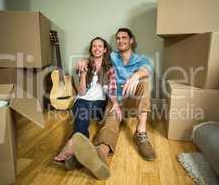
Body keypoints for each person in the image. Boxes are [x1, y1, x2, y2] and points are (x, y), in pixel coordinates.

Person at [72, 28, 155, 180]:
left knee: (145, 82)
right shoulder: (112, 56)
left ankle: (141, 133)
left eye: (124, 37)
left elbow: (148, 69)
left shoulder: (140, 59)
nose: (120, 41)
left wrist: (135, 76)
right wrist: (83, 62)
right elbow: (95, 56)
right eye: (118, 38)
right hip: (115, 101)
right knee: (110, 124)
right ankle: (100, 154)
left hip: (133, 101)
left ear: (131, 40)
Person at [53, 37, 119, 169]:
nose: (97, 48)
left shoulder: (110, 68)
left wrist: (115, 103)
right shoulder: (84, 65)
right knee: (82, 113)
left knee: (85, 111)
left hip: (99, 103)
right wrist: (83, 74)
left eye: (100, 46)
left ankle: (74, 147)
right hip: (82, 100)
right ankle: (74, 145)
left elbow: (112, 89)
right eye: (94, 46)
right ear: (91, 49)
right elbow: (82, 93)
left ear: (105, 49)